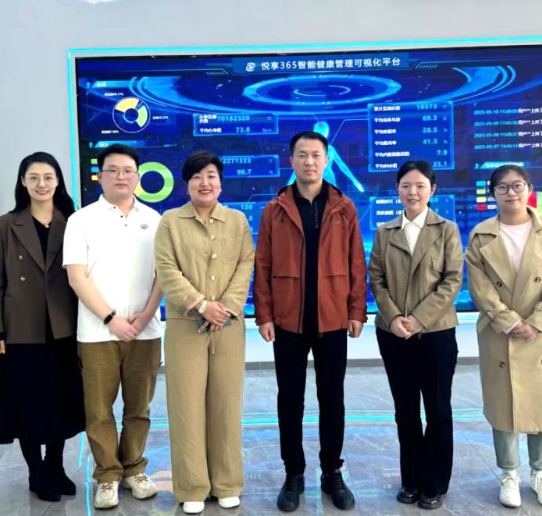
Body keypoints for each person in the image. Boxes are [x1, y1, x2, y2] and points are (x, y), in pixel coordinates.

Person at [253, 131, 367, 512]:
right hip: (288, 321)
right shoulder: (275, 210)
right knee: (290, 400)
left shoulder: (344, 207)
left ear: (326, 160)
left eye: (316, 155)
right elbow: (263, 265)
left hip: (332, 318)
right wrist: (264, 314)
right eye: (302, 155)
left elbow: (356, 262)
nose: (309, 162)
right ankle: (294, 473)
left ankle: (332, 472)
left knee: (332, 398)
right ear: (291, 161)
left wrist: (356, 310)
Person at [465, 164, 542, 510]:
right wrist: (509, 321)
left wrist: (538, 320)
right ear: (493, 194)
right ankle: (509, 474)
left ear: (529, 189)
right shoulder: (481, 235)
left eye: (517, 185)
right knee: (503, 406)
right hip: (500, 333)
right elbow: (480, 287)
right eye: (502, 187)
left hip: (541, 333)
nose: (510, 192)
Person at [63, 144, 164, 510]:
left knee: (139, 408)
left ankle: (134, 469)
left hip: (145, 332)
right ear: (100, 176)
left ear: (137, 176)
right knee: (99, 411)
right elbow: (77, 277)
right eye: (113, 170)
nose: (121, 176)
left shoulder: (154, 219)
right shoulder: (81, 220)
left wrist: (146, 314)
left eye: (128, 170)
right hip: (96, 334)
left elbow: (164, 274)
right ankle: (107, 475)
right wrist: (111, 319)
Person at [154, 151, 255, 514]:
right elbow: (166, 269)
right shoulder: (170, 222)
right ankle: (192, 487)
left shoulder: (237, 221)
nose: (205, 182)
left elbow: (245, 264)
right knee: (186, 407)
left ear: (220, 182)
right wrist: (200, 304)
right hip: (186, 327)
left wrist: (225, 306)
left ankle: (227, 483)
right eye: (197, 176)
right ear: (187, 184)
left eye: (211, 175)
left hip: (227, 326)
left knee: (226, 404)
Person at [0, 151, 84, 502]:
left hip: (64, 325)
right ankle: (36, 471)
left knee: (61, 400)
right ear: (22, 182)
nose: (41, 184)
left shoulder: (73, 222)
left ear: (58, 181)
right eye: (33, 177)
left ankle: (55, 465)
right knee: (27, 403)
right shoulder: (5, 225)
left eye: (48, 177)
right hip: (21, 328)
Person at [367, 160, 463, 510]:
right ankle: (410, 480)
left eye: (420, 186)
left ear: (432, 190)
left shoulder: (447, 229)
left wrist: (419, 320)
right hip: (393, 335)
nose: (413, 192)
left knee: (437, 409)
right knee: (405, 410)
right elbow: (376, 278)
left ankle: (434, 483)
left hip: (436, 333)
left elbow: (452, 280)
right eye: (406, 185)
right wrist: (394, 317)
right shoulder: (385, 231)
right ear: (398, 190)